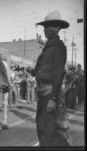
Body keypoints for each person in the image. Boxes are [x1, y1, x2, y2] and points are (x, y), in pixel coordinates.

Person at [31, 10, 72, 146]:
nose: (44, 30)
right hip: (43, 91)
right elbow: (42, 70)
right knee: (42, 128)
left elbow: (58, 74)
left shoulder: (58, 47)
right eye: (44, 27)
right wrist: (32, 71)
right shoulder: (48, 47)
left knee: (52, 131)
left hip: (50, 93)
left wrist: (53, 99)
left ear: (56, 28)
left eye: (47, 27)